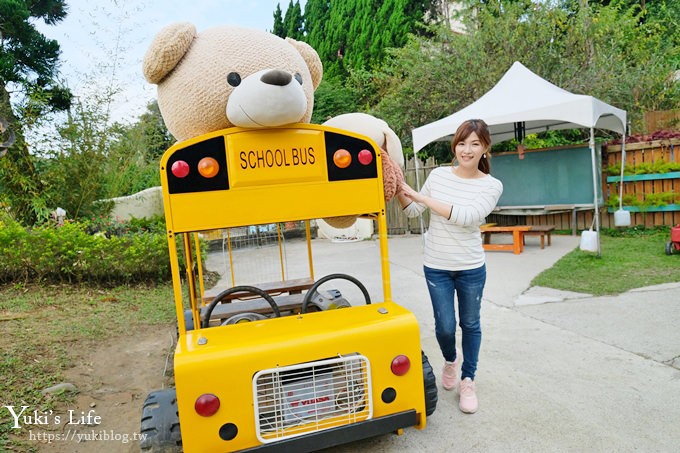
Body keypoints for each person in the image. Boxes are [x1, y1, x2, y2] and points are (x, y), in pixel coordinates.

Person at [397, 119, 503, 414]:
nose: (466, 150)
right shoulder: (439, 175)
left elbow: (468, 216)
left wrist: (421, 196)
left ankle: (468, 379)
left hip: (470, 267)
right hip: (436, 266)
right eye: (461, 143)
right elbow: (414, 211)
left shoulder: (492, 185)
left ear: (485, 149)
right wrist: (397, 188)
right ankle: (450, 359)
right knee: (444, 327)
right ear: (454, 146)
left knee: (469, 324)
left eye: (474, 144)